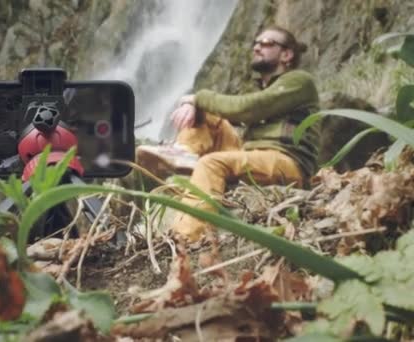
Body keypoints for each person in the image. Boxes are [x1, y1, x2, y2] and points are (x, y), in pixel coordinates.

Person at [136, 26, 320, 241]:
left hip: (288, 162)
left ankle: (187, 238)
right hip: (253, 155)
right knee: (205, 114)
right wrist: (196, 107)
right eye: (256, 43)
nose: (257, 47)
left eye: (267, 42)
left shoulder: (299, 81)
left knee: (211, 163)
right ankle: (184, 152)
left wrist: (197, 98)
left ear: (287, 54)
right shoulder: (268, 89)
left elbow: (247, 108)